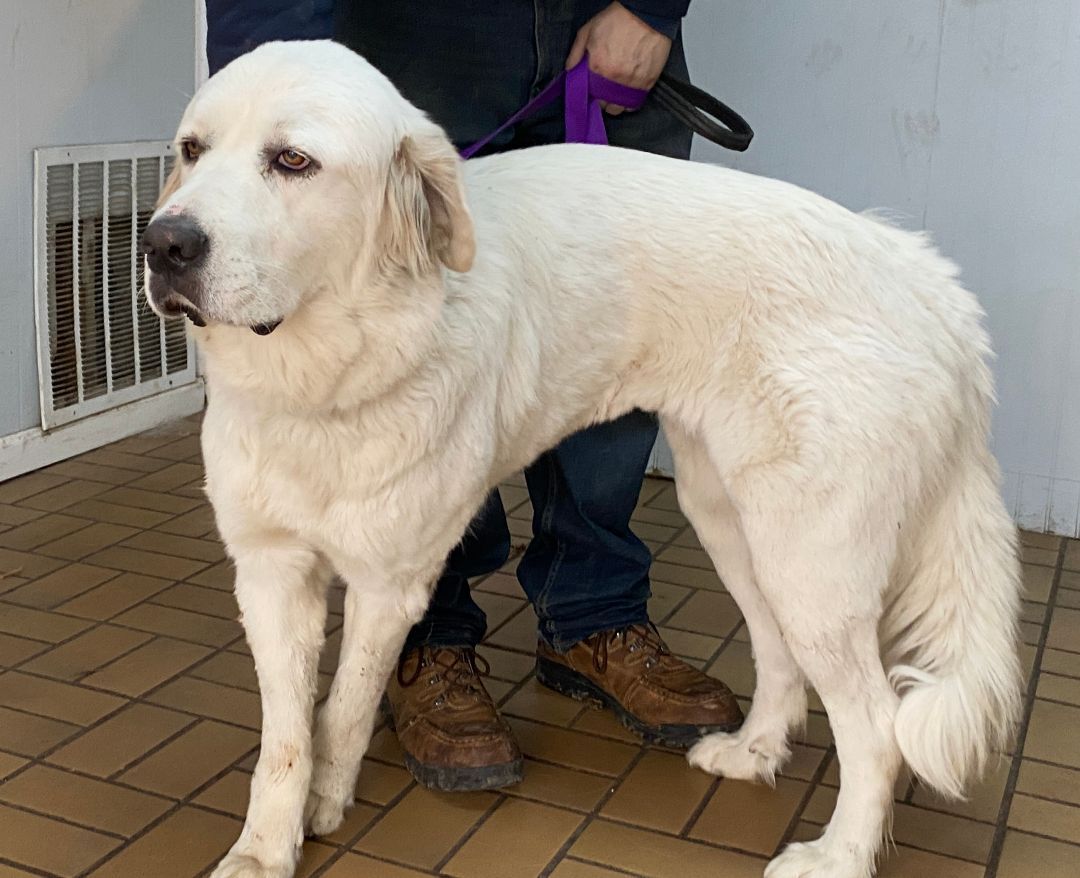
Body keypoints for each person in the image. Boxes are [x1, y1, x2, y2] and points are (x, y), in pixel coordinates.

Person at [205, 0, 742, 793]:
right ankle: (433, 636)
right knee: (434, 340)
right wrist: (271, 67)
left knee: (622, 325)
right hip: (417, 35)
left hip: (616, 24)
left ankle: (596, 614)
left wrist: (652, 6)